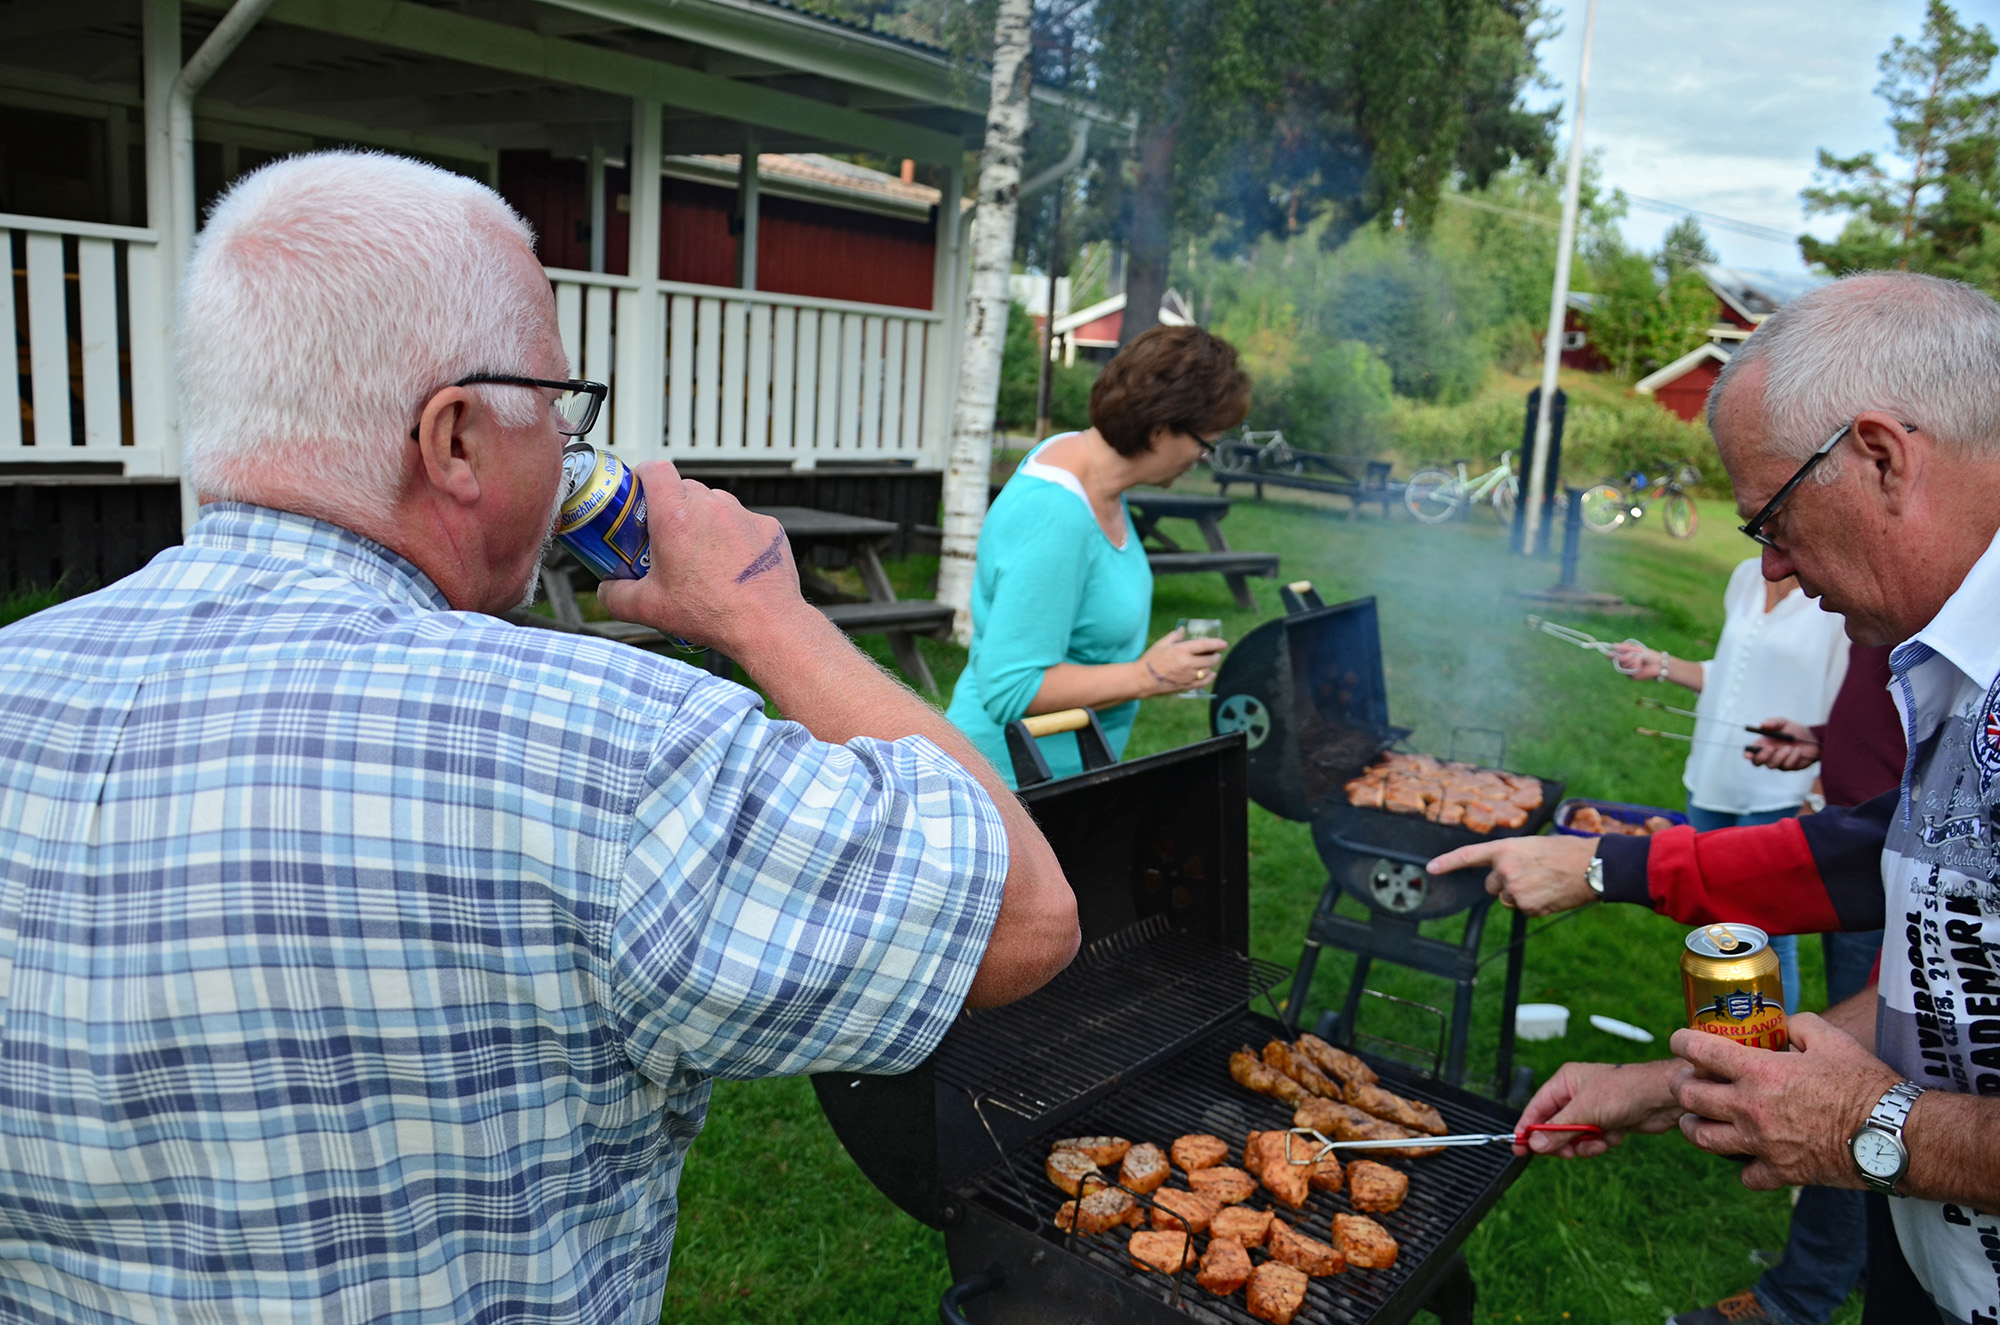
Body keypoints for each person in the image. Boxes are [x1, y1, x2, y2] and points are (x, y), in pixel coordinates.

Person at [0, 151, 1081, 1322]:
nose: (569, 440)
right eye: (557, 403)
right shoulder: (608, 746)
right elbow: (1023, 915)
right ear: (455, 438)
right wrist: (765, 613)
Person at [1430, 271, 2000, 1325]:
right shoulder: (1958, 674)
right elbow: (1950, 975)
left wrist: (1875, 1127)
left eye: (1772, 517)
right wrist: (1671, 1084)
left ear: (1881, 456)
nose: (1772, 562)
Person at [946, 325, 1249, 785]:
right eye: (1204, 443)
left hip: (1057, 779)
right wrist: (1148, 675)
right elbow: (1010, 689)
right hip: (1002, 787)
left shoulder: (1093, 471)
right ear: (1159, 430)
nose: (1203, 458)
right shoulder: (1055, 513)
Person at [1606, 559, 1850, 1015]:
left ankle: (1770, 1048)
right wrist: (1660, 664)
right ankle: (1725, 1033)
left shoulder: (1836, 594)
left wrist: (1817, 795)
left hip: (1782, 793)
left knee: (1769, 935)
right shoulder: (1746, 575)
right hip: (1712, 778)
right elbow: (1735, 671)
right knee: (1715, 929)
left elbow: (1843, 711)